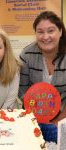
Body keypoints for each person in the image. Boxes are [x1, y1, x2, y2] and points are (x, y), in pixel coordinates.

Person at [19, 11, 66, 142]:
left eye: (51, 31)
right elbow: (22, 89)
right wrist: (35, 117)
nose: (45, 37)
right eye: (40, 32)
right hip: (33, 116)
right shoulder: (27, 54)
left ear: (60, 31)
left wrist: (59, 120)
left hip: (63, 114)